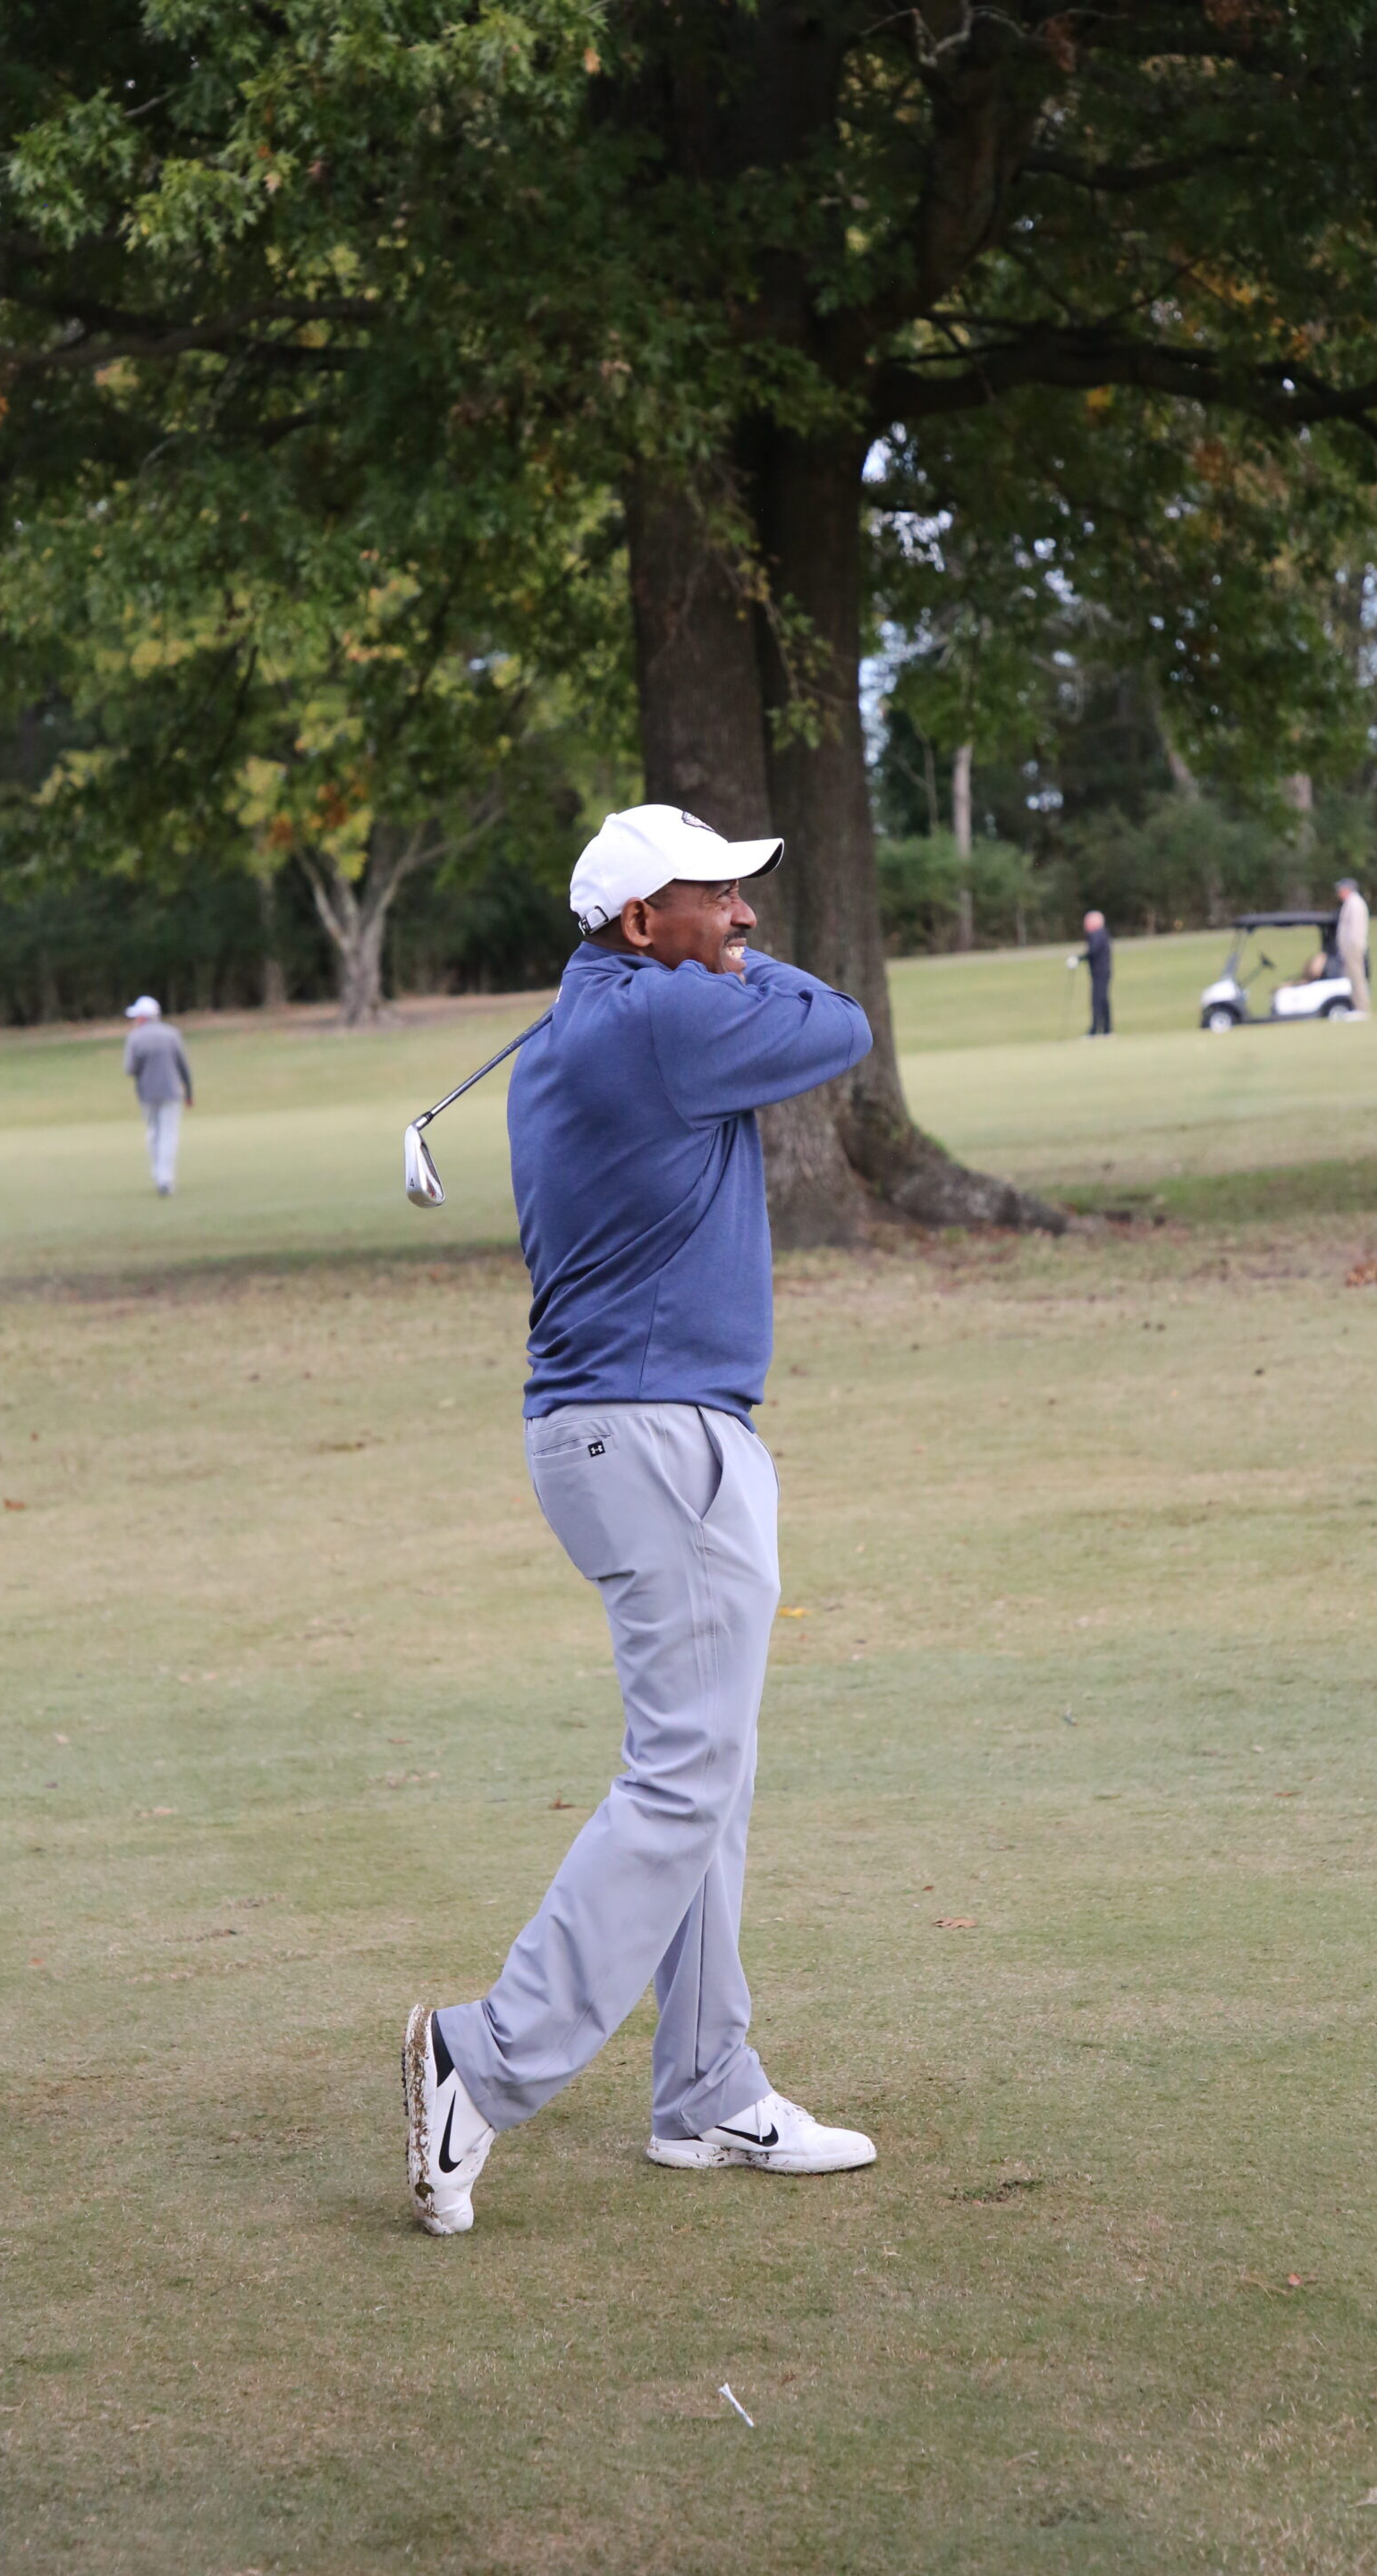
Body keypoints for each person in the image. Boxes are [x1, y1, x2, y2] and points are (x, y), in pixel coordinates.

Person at [403, 803, 878, 2236]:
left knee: (707, 1770)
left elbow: (778, 1004)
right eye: (715, 894)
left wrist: (706, 956)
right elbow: (841, 1022)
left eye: (743, 892)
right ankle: (481, 2060)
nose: (744, 914)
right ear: (637, 923)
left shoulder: (596, 1023)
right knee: (683, 1775)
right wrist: (727, 970)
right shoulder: (665, 1019)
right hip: (661, 1434)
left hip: (621, 1431)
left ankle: (706, 2088)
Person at [122, 996, 193, 1196]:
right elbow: (183, 1066)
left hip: (146, 1094)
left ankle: (158, 1175)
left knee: (154, 1133)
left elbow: (130, 1069)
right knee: (168, 1135)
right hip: (171, 1092)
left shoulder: (134, 1038)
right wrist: (189, 1092)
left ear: (142, 1018)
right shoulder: (172, 1034)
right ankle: (165, 1179)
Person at [1069, 910, 1112, 1035]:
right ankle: (1106, 1029)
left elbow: (1092, 951)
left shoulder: (1098, 934)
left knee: (1097, 1000)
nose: (1085, 925)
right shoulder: (1100, 934)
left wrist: (1078, 959)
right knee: (1102, 999)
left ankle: (1095, 1029)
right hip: (1101, 971)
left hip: (1100, 972)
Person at [1334, 876, 1371, 1015]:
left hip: (1353, 947)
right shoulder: (1350, 903)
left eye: (1340, 890)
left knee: (1357, 977)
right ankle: (1357, 1007)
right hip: (1349, 947)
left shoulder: (1355, 904)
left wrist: (1350, 947)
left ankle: (1362, 1008)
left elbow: (1355, 929)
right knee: (1352, 977)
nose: (1339, 893)